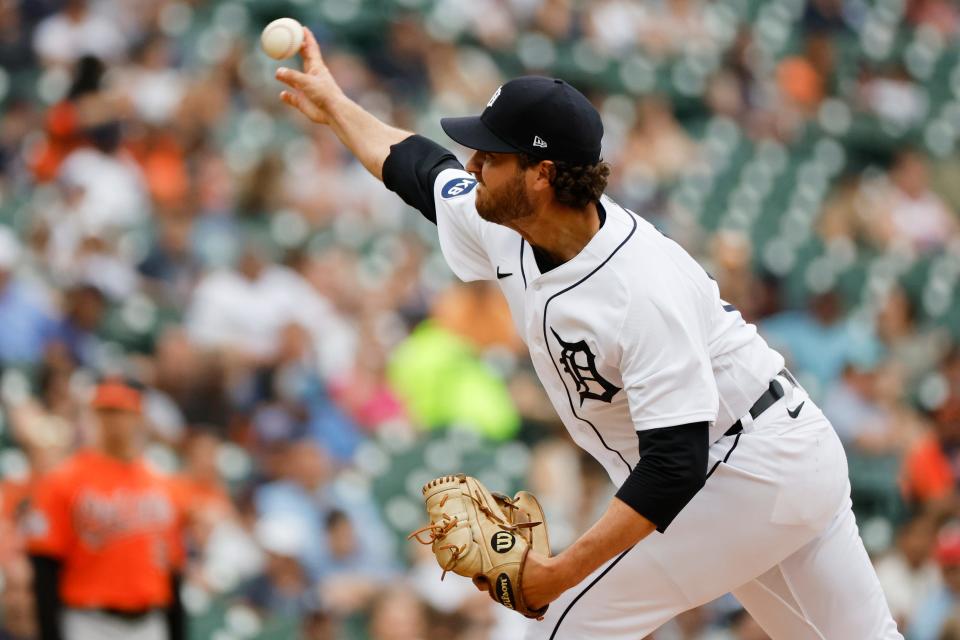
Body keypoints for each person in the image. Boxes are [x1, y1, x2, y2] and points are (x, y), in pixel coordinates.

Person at [274, 27, 902, 638]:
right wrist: (335, 107)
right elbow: (416, 168)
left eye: (491, 157)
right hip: (769, 461)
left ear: (542, 175)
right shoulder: (508, 218)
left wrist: (556, 574)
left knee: (571, 624)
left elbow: (674, 466)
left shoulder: (641, 286)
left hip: (744, 466)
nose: (474, 164)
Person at [25, 378, 185, 640]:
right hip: (89, 620)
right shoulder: (63, 481)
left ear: (139, 418)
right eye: (107, 412)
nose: (115, 422)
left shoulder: (161, 485)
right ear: (93, 416)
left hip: (150, 621)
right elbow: (45, 566)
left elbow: (173, 569)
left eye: (122, 413)